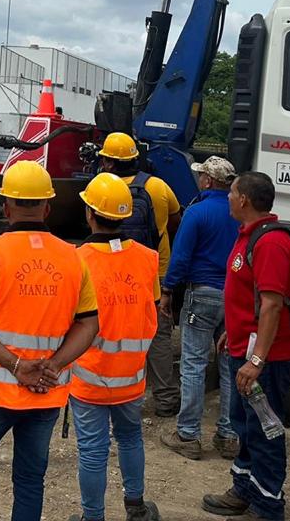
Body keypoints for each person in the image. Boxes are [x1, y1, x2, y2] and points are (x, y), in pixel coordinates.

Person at [0, 159, 100, 521]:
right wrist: (54, 365)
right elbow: (89, 325)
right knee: (30, 477)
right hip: (46, 391)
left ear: (6, 206)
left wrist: (16, 365)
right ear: (47, 208)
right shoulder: (73, 258)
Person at [202, 171, 290, 520]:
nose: (228, 197)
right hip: (245, 351)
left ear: (244, 199)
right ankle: (244, 489)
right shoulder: (250, 235)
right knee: (245, 425)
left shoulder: (271, 243)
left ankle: (269, 506)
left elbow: (272, 305)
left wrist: (257, 360)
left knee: (265, 431)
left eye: (231, 192)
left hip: (266, 361)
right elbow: (249, 298)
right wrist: (233, 333)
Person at [67, 172, 162, 521]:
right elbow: (151, 308)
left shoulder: (78, 259)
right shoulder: (147, 258)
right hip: (131, 376)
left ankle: (93, 517)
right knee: (130, 438)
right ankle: (136, 507)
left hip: (90, 377)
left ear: (90, 212)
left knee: (93, 450)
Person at [96, 132, 183, 417]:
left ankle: (111, 393)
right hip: (155, 272)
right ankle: (166, 399)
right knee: (158, 336)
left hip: (115, 273)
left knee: (113, 331)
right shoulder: (157, 186)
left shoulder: (102, 188)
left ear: (109, 162)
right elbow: (175, 221)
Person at [161, 155, 240, 460]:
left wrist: (168, 290)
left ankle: (188, 434)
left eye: (201, 176)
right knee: (229, 366)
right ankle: (229, 435)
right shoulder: (239, 213)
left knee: (194, 364)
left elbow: (180, 257)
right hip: (233, 297)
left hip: (202, 294)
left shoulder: (196, 212)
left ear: (208, 180)